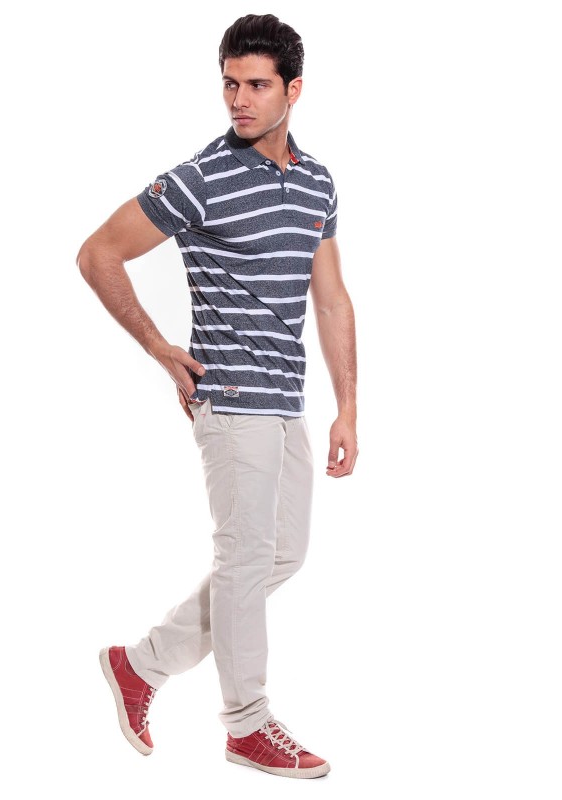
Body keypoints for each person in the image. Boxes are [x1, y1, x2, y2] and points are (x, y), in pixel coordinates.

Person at [76, 13, 358, 779]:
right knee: (244, 560)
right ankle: (246, 724)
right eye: (230, 84)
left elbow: (331, 297)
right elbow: (98, 253)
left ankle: (141, 664)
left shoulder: (317, 182)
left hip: (286, 399)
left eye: (257, 85)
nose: (239, 99)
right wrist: (158, 346)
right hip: (230, 399)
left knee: (281, 555)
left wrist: (348, 406)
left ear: (294, 90)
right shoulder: (201, 179)